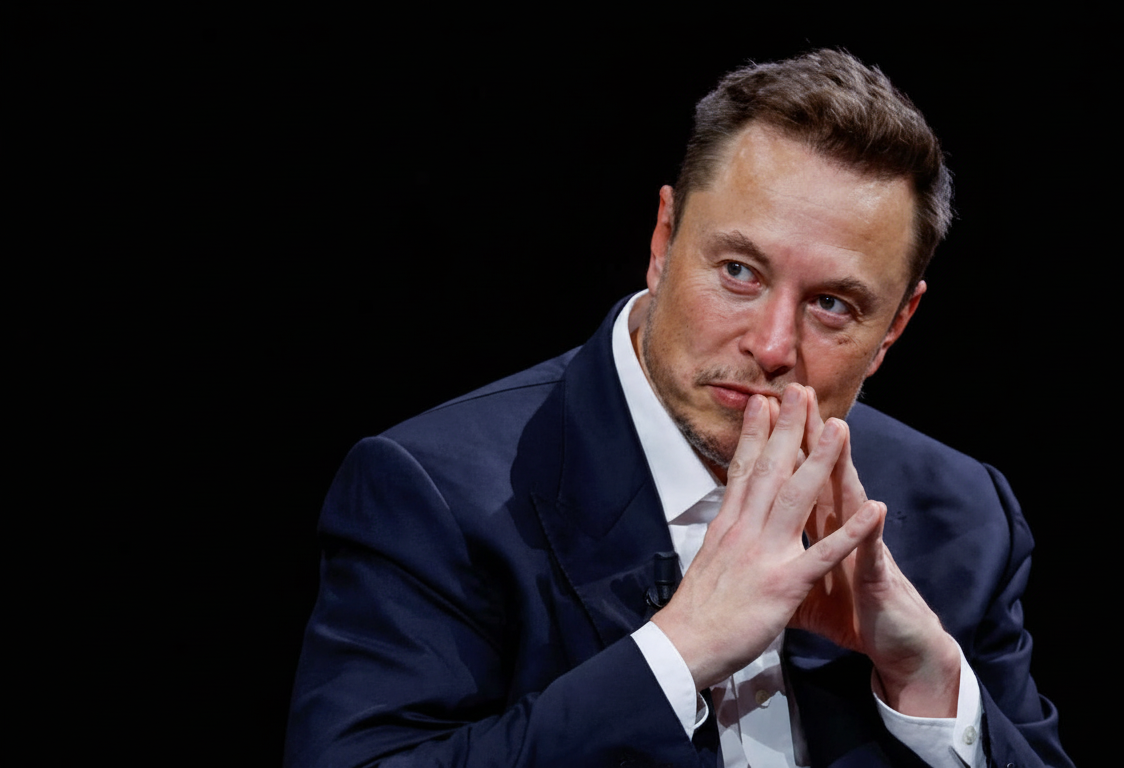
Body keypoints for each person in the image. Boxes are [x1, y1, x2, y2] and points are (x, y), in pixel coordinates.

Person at [287, 49, 1072, 768]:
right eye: (738, 270)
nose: (771, 345)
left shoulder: (963, 513)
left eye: (832, 305)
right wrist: (677, 650)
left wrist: (931, 682)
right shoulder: (433, 494)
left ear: (895, 325)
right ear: (663, 239)